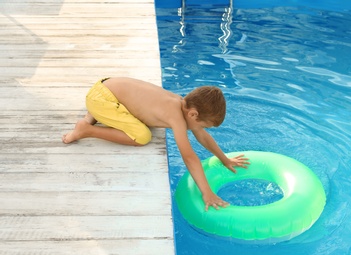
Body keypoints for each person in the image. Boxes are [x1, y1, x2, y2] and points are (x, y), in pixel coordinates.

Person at [62, 77, 249, 210]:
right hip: (101, 99)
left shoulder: (181, 103)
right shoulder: (176, 117)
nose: (202, 129)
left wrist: (225, 159)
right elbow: (189, 157)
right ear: (193, 114)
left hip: (105, 87)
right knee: (142, 136)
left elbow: (202, 136)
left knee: (142, 121)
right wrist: (207, 193)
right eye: (204, 125)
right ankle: (86, 129)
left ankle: (95, 114)